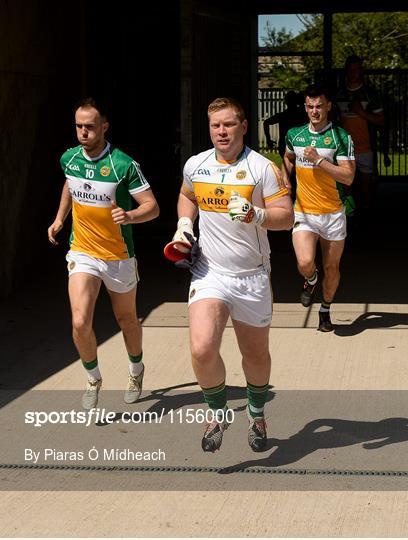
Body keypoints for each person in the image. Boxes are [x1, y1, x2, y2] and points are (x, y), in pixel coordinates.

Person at [171, 97, 293, 453]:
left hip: (251, 275)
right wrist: (183, 224)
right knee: (202, 347)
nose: (221, 132)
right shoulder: (197, 164)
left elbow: (286, 216)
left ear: (243, 126)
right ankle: (217, 412)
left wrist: (257, 215)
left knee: (254, 356)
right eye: (215, 126)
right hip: (209, 271)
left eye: (227, 124)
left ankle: (256, 414)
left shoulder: (262, 168)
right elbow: (186, 195)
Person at [48, 97, 159, 409]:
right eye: (79, 126)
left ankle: (136, 369)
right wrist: (59, 219)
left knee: (126, 320)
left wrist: (130, 216)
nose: (83, 132)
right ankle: (93, 377)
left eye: (90, 127)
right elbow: (71, 185)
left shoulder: (123, 164)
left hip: (119, 256)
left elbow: (152, 206)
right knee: (80, 321)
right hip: (82, 251)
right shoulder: (69, 158)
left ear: (104, 127)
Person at [281, 84, 355, 332]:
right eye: (310, 106)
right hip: (304, 212)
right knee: (305, 262)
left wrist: (319, 161)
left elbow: (348, 177)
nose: (315, 111)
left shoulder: (340, 137)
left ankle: (325, 309)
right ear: (305, 107)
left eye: (319, 106)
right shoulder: (295, 134)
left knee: (332, 268)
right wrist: (285, 178)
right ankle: (310, 281)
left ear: (328, 106)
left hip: (334, 214)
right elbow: (288, 157)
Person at [335, 55, 385, 212]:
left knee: (366, 189)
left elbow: (381, 120)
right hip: (344, 149)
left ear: (361, 71)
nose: (353, 73)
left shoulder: (370, 93)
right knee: (346, 189)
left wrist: (361, 112)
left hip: (365, 149)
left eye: (356, 70)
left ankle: (367, 217)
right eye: (350, 70)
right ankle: (349, 217)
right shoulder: (339, 94)